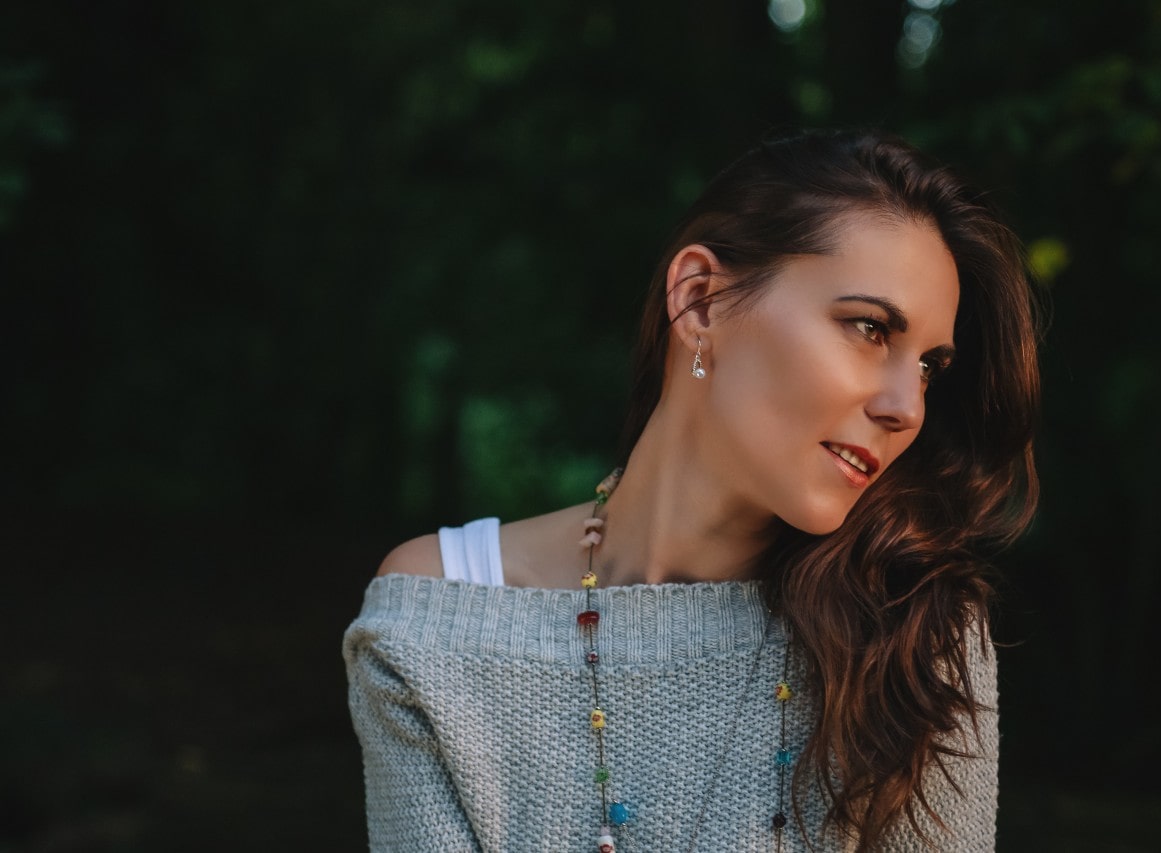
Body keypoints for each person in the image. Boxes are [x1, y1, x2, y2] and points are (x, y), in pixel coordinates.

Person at [344, 128, 1040, 852]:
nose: (908, 407)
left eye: (929, 366)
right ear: (701, 300)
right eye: (868, 327)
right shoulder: (439, 621)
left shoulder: (911, 633)